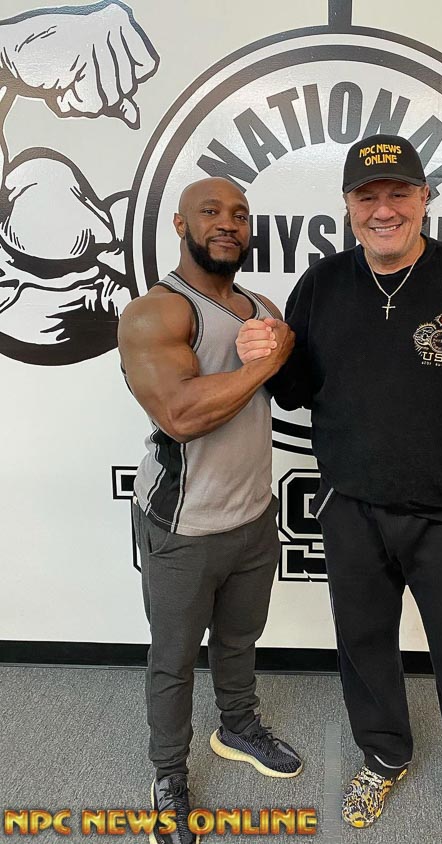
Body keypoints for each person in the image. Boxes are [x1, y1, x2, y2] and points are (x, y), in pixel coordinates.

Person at [236, 135, 442, 844]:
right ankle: (383, 756)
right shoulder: (322, 284)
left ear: (424, 198)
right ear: (347, 205)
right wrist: (265, 356)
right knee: (364, 648)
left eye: (399, 193)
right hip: (352, 510)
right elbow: (296, 390)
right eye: (367, 195)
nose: (384, 210)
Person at [118, 176, 301, 844]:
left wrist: (285, 351)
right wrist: (264, 364)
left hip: (252, 514)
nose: (227, 223)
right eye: (211, 212)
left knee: (239, 638)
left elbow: (288, 390)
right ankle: (168, 777)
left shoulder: (260, 307)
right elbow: (180, 413)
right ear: (180, 224)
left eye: (239, 214)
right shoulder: (157, 313)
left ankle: (238, 726)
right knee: (173, 659)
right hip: (184, 523)